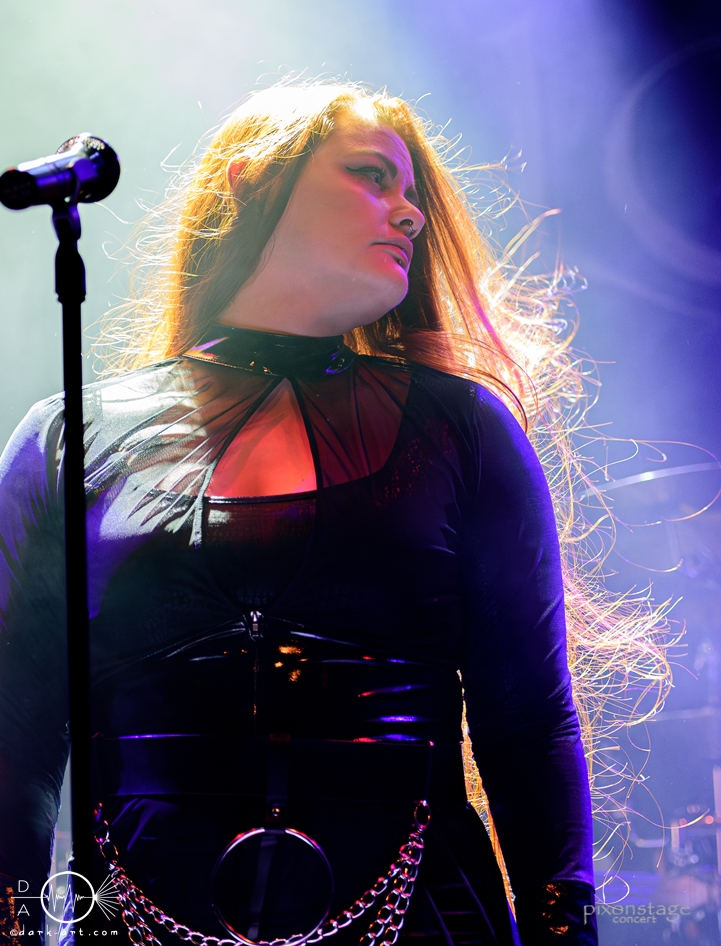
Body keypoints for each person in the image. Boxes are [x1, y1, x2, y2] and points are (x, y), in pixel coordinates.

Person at [0, 81, 599, 944]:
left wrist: (566, 934)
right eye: (372, 175)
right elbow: (15, 743)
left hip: (423, 924)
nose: (410, 214)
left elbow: (530, 727)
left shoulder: (464, 431)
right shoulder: (67, 437)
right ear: (250, 179)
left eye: (412, 195)